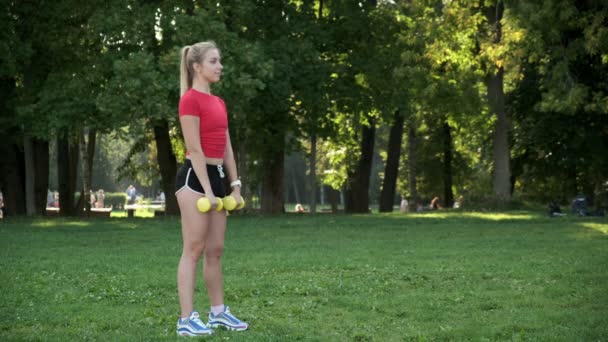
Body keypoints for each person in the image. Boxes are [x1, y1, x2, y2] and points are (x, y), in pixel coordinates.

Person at [174, 41, 248, 337]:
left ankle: (217, 313)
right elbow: (194, 148)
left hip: (217, 176)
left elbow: (226, 146)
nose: (220, 66)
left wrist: (235, 185)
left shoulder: (219, 103)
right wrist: (207, 191)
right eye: (214, 61)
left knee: (215, 250)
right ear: (196, 67)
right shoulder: (189, 100)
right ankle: (186, 318)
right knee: (193, 249)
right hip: (195, 178)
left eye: (220, 61)